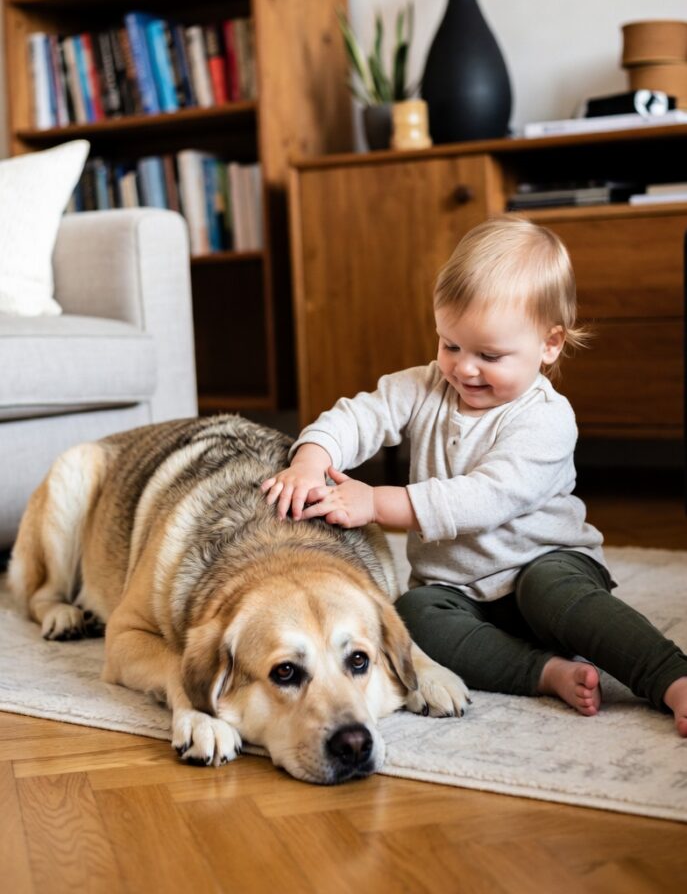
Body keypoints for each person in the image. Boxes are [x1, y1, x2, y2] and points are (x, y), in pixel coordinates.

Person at [261, 217, 687, 736]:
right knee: (412, 615)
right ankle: (543, 672)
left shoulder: (546, 419)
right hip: (458, 588)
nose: (463, 369)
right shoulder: (424, 387)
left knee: (549, 591)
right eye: (450, 345)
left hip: (546, 565)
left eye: (489, 355)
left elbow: (485, 498)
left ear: (549, 345)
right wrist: (310, 457)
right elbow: (359, 416)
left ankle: (671, 677)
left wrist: (377, 503)